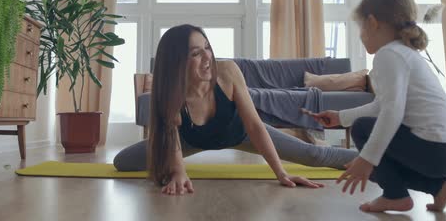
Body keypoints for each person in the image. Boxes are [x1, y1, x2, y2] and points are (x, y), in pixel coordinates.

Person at [113, 24, 358, 195]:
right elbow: (170, 134)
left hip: (241, 134)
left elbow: (254, 124)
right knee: (123, 161)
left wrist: (281, 173)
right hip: (191, 140)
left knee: (314, 155)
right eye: (196, 53)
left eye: (207, 47)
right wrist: (179, 172)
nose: (207, 57)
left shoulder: (228, 72)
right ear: (177, 61)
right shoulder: (169, 89)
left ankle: (376, 157)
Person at [312, 0, 446, 213]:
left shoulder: (388, 55)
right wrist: (341, 117)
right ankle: (439, 187)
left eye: (360, 28)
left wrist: (367, 159)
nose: (361, 36)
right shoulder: (406, 54)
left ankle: (394, 196)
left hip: (436, 151)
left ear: (373, 23)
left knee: (363, 130)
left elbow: (391, 111)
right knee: (371, 135)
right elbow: (383, 105)